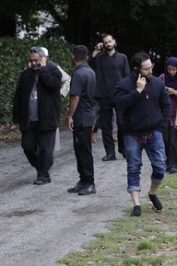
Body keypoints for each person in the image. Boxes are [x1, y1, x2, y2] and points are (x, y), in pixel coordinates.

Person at [115, 52, 170, 217]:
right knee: (133, 168)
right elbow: (119, 105)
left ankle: (152, 193)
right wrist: (137, 91)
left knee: (160, 166)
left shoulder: (158, 84)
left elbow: (166, 105)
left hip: (154, 131)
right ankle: (136, 204)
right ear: (136, 69)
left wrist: (162, 126)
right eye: (146, 69)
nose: (150, 71)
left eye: (150, 67)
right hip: (132, 133)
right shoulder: (124, 85)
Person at [12, 47, 62, 185]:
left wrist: (44, 69)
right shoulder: (25, 74)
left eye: (36, 60)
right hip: (29, 120)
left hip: (47, 118)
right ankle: (42, 167)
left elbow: (53, 85)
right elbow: (18, 97)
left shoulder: (53, 70)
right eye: (31, 60)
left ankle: (43, 175)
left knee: (45, 149)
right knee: (27, 146)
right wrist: (16, 118)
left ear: (43, 59)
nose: (33, 63)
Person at [90, 34, 130, 161]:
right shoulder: (99, 58)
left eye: (109, 41)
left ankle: (123, 149)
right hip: (104, 95)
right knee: (106, 127)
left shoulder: (123, 57)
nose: (108, 44)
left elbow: (127, 75)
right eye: (105, 42)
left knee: (122, 124)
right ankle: (110, 153)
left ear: (114, 42)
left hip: (119, 95)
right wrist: (96, 50)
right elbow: (89, 64)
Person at [66, 45, 97, 195]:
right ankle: (83, 180)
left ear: (73, 56)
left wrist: (70, 115)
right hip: (88, 115)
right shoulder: (90, 71)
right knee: (81, 150)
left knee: (83, 150)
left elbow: (75, 96)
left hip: (81, 117)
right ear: (87, 56)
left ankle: (90, 182)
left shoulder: (78, 74)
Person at [158, 57, 177, 173]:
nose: (171, 72)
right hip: (164, 113)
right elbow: (156, 91)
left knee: (174, 141)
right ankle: (166, 163)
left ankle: (174, 164)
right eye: (169, 69)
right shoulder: (162, 78)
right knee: (164, 140)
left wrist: (174, 92)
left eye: (174, 69)